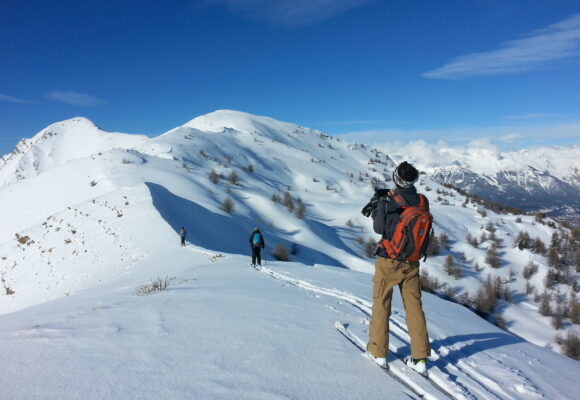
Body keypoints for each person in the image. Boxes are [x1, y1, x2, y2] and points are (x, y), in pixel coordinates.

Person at [361, 161, 431, 376]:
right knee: (414, 307)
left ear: (396, 178)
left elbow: (379, 228)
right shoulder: (422, 200)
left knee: (381, 303)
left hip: (389, 260)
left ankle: (378, 352)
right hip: (412, 261)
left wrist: (378, 206)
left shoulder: (388, 200)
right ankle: (419, 358)